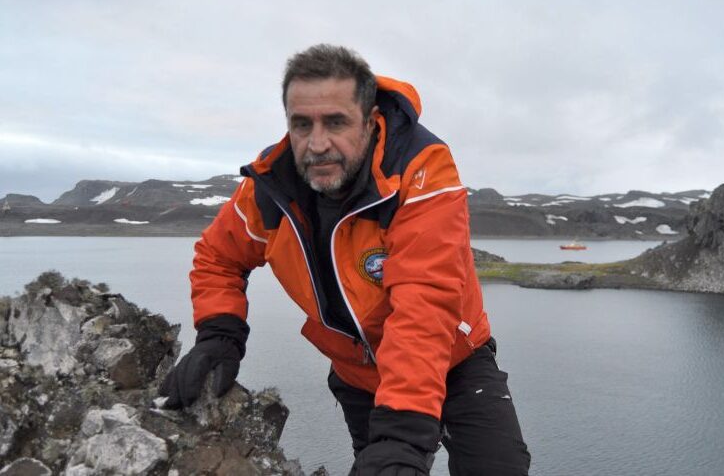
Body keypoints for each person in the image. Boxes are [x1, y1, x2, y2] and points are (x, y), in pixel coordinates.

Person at [159, 44, 531, 475]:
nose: (318, 144)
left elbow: (424, 302)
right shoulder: (271, 188)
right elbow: (218, 256)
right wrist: (220, 333)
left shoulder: (420, 170)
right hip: (359, 375)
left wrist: (402, 432)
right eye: (302, 125)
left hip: (454, 359)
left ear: (370, 120)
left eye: (335, 122)